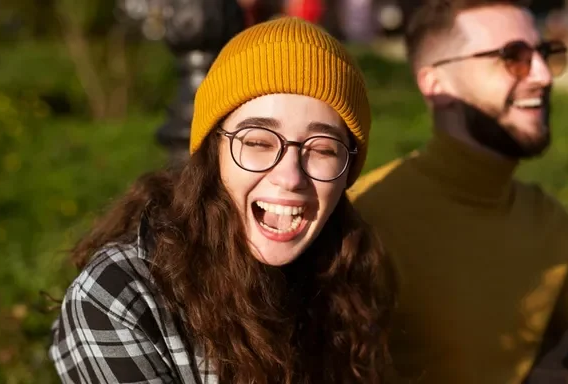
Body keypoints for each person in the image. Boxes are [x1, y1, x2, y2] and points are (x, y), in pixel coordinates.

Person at [49, 17, 396, 384]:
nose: (291, 177)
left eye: (322, 149)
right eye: (259, 142)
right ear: (213, 151)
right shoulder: (120, 299)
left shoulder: (348, 276)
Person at [347, 0, 568, 382]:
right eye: (513, 57)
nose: (544, 75)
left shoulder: (550, 222)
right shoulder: (365, 223)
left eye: (544, 54)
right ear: (436, 85)